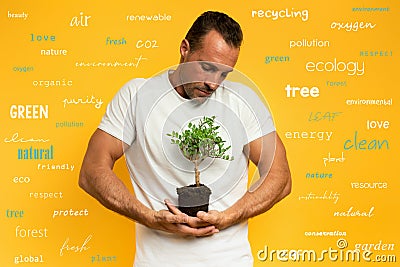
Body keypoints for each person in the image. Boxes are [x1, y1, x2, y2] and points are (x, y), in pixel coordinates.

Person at [79, 11, 291, 267]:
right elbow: (92, 171)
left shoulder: (242, 102)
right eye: (207, 67)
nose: (213, 83)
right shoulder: (137, 95)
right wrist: (148, 217)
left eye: (223, 74)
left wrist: (229, 216)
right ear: (184, 49)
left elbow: (281, 177)